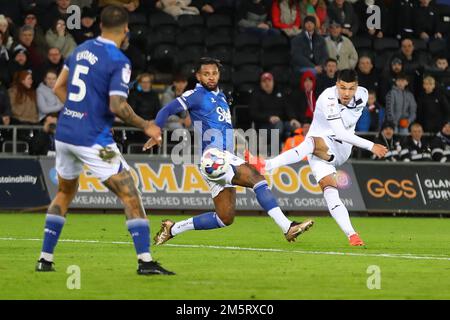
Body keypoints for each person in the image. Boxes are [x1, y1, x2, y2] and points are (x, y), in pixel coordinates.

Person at [35, 5, 174, 276]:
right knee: (130, 192)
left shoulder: (79, 50)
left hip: (64, 134)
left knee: (64, 192)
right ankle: (145, 262)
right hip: (91, 140)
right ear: (125, 30)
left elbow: (58, 88)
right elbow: (118, 105)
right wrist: (147, 125)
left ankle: (45, 259)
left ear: (100, 26)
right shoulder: (118, 60)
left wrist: (80, 115)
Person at [146, 57, 314, 247]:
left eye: (214, 73)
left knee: (225, 217)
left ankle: (173, 229)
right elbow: (167, 109)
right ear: (198, 76)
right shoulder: (195, 95)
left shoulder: (221, 96)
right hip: (213, 156)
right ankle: (287, 226)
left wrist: (240, 150)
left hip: (221, 158)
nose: (211, 77)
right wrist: (156, 129)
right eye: (206, 74)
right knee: (257, 179)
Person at [246, 69, 388, 246]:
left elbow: (344, 133)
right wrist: (371, 145)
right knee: (330, 190)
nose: (347, 93)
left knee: (312, 143)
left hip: (343, 149)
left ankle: (266, 165)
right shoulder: (327, 98)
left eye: (351, 89)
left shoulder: (363, 94)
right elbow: (339, 132)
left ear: (357, 87)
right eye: (342, 88)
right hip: (321, 150)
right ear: (336, 85)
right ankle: (352, 235)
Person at [249, 72, 290, 151]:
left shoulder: (280, 93)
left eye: (269, 81)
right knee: (279, 125)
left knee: (293, 127)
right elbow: (253, 114)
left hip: (282, 122)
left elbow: (288, 109)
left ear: (273, 82)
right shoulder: (256, 95)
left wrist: (293, 118)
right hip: (264, 126)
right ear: (261, 83)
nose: (267, 83)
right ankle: (274, 151)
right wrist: (269, 118)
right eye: (264, 81)